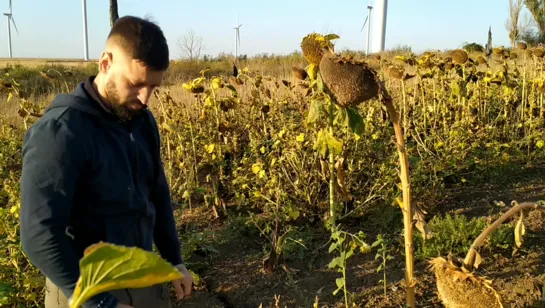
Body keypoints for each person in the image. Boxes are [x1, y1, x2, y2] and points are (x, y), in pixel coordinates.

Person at [19, 15, 193, 308]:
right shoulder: (61, 132)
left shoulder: (141, 121)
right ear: (105, 63)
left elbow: (157, 194)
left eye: (153, 87)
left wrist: (174, 259)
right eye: (136, 84)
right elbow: (39, 233)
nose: (145, 99)